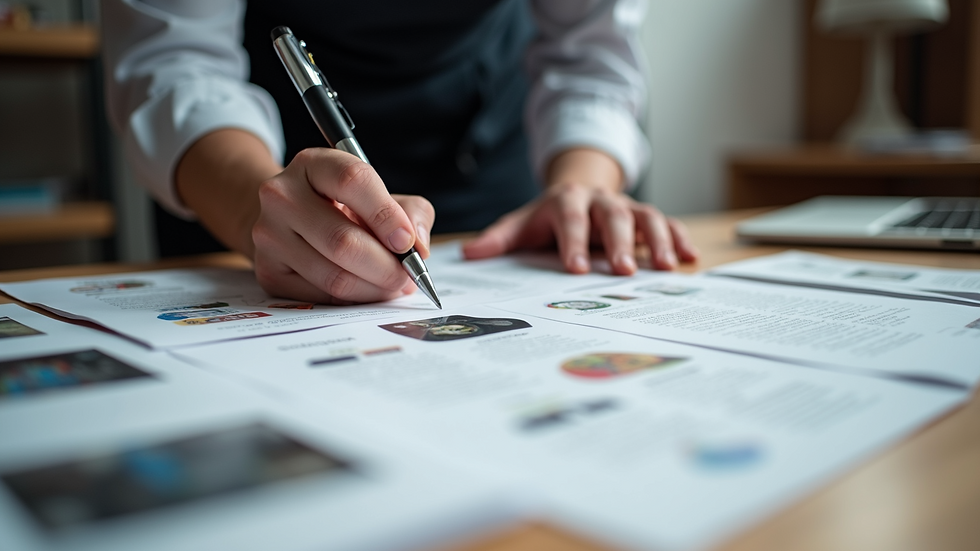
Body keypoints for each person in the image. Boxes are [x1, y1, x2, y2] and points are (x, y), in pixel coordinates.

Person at [101, 0, 698, 305]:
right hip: (253, 158)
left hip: (493, 141)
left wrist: (583, 184)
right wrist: (252, 208)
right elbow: (175, 60)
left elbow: (591, 53)